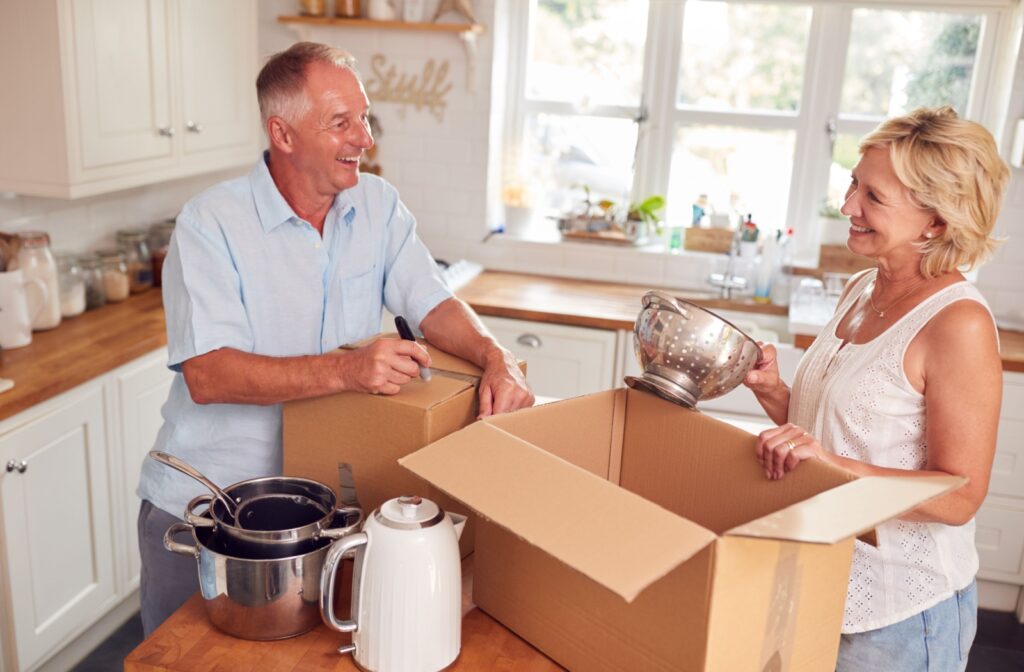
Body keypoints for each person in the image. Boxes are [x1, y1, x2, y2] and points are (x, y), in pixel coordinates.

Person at [135, 42, 533, 636]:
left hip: (322, 517)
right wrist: (347, 370)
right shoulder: (209, 224)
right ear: (284, 133)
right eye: (341, 122)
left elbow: (433, 302)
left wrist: (496, 357)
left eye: (363, 117)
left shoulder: (377, 205)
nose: (364, 138)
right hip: (213, 514)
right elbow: (209, 375)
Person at [743, 106, 1007, 672]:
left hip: (900, 613)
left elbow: (959, 497)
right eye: (853, 185)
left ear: (934, 222)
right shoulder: (865, 286)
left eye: (873, 198)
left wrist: (832, 464)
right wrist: (774, 394)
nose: (847, 207)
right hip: (820, 578)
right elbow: (845, 438)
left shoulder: (957, 323)